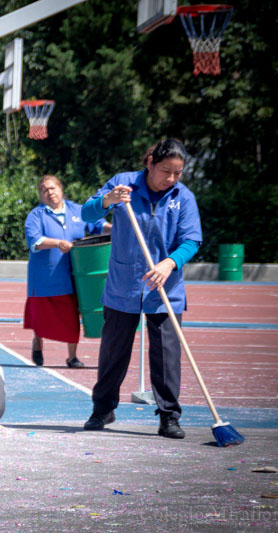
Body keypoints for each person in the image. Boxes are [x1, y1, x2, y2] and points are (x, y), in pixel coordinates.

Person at [80, 138, 202, 439]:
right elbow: (87, 214)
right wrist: (107, 201)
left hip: (165, 288)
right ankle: (102, 409)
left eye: (178, 172)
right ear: (150, 163)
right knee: (113, 352)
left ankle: (169, 417)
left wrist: (169, 263)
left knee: (166, 356)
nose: (171, 179)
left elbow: (192, 240)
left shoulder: (183, 197)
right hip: (124, 284)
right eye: (165, 171)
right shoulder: (123, 185)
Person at [24, 175, 110, 368]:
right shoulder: (36, 216)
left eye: (53, 188)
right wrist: (57, 243)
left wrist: (115, 228)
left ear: (61, 189)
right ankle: (38, 342)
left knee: (73, 316)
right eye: (45, 190)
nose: (50, 193)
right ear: (40, 195)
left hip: (75, 276)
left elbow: (98, 226)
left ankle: (72, 356)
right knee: (41, 316)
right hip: (45, 277)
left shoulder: (78, 210)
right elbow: (34, 240)